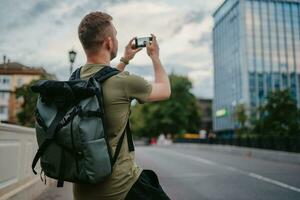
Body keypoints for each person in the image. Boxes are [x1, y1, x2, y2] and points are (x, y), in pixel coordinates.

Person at [72, 11, 171, 200]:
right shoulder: (124, 82)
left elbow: (103, 81)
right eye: (116, 36)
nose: (117, 39)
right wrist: (155, 57)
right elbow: (165, 90)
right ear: (109, 42)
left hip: (82, 189)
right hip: (120, 187)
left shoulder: (75, 80)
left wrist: (125, 59)